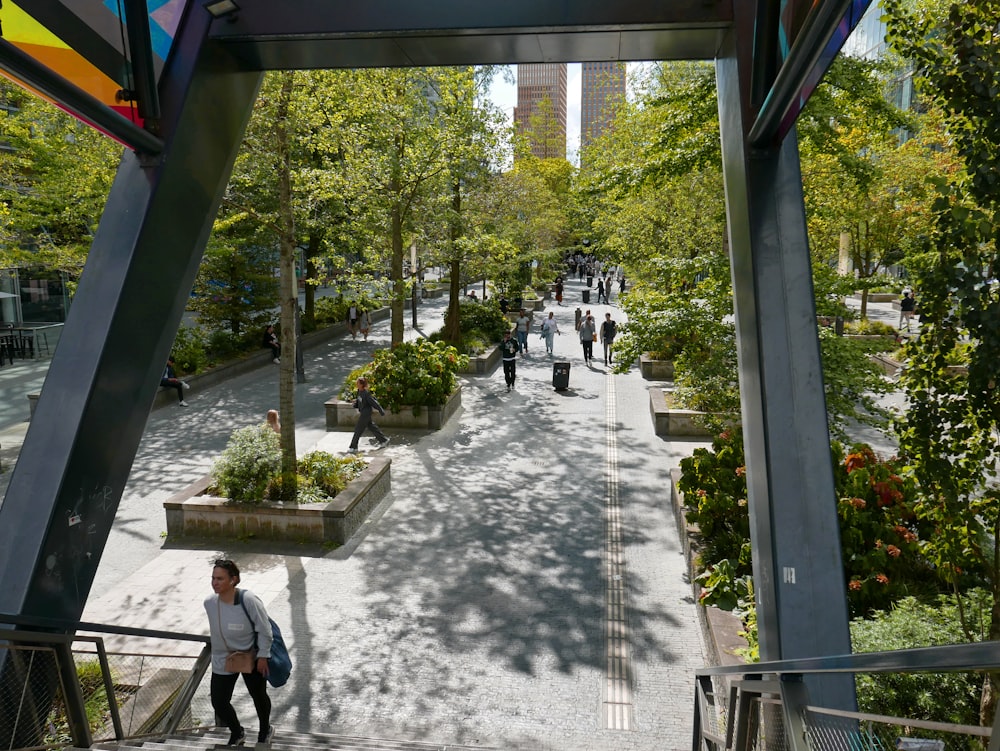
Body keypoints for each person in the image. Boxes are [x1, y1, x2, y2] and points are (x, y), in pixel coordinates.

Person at [205, 559, 275, 748]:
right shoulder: (209, 603)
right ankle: (237, 731)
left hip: (251, 657)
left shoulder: (248, 600)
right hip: (223, 658)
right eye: (213, 578)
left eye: (220, 578)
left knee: (258, 696)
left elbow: (265, 629)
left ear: (234, 580)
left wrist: (263, 655)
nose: (215, 583)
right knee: (219, 701)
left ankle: (265, 729)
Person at [349, 376, 389, 452]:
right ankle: (384, 440)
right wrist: (354, 404)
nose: (356, 384)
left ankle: (353, 447)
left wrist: (381, 410)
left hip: (366, 413)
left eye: (357, 383)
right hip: (363, 412)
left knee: (358, 429)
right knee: (372, 427)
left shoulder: (366, 393)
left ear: (361, 384)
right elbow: (359, 401)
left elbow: (374, 403)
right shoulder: (359, 391)